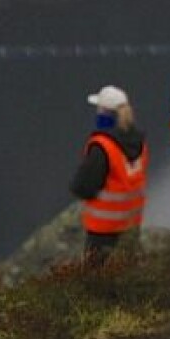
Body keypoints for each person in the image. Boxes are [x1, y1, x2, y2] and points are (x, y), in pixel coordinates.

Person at [70, 84, 148, 267]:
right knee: (126, 273)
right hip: (130, 225)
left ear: (105, 114)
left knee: (95, 279)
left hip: (103, 230)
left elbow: (83, 186)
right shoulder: (139, 143)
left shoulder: (102, 147)